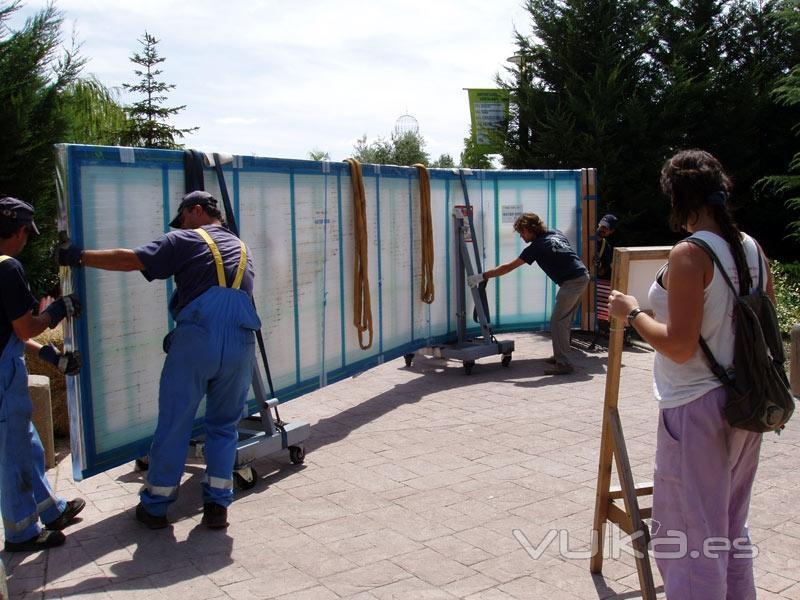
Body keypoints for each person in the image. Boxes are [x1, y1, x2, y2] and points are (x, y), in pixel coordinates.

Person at [608, 150, 767, 599]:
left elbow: (678, 346)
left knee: (692, 535)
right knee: (730, 525)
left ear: (676, 196)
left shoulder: (690, 254)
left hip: (697, 407)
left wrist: (632, 312)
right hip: (745, 403)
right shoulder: (753, 248)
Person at [58, 191, 260, 530]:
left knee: (175, 423)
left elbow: (131, 259)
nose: (180, 225)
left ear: (195, 211)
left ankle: (155, 508)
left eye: (182, 218)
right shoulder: (242, 248)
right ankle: (216, 507)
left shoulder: (186, 240)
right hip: (241, 343)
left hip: (198, 339)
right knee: (224, 426)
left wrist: (78, 256)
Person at [0, 196, 85, 552]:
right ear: (19, 231)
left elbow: (12, 333)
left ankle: (51, 509)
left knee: (27, 442)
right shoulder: (8, 268)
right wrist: (59, 311)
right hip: (3, 374)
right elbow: (25, 327)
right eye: (27, 234)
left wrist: (51, 355)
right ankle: (22, 532)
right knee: (12, 450)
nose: (26, 240)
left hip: (6, 361)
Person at [468, 212, 590, 375]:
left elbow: (508, 267)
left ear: (529, 229)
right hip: (581, 276)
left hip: (573, 281)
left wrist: (482, 276)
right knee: (563, 320)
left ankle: (564, 363)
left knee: (558, 321)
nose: (521, 236)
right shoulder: (555, 233)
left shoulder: (536, 247)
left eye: (522, 232)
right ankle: (560, 356)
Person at [594, 214, 617, 339]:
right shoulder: (584, 237)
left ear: (611, 231)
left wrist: (597, 266)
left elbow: (603, 271)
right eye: (602, 225)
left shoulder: (605, 247)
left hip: (593, 282)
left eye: (606, 228)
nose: (602, 229)